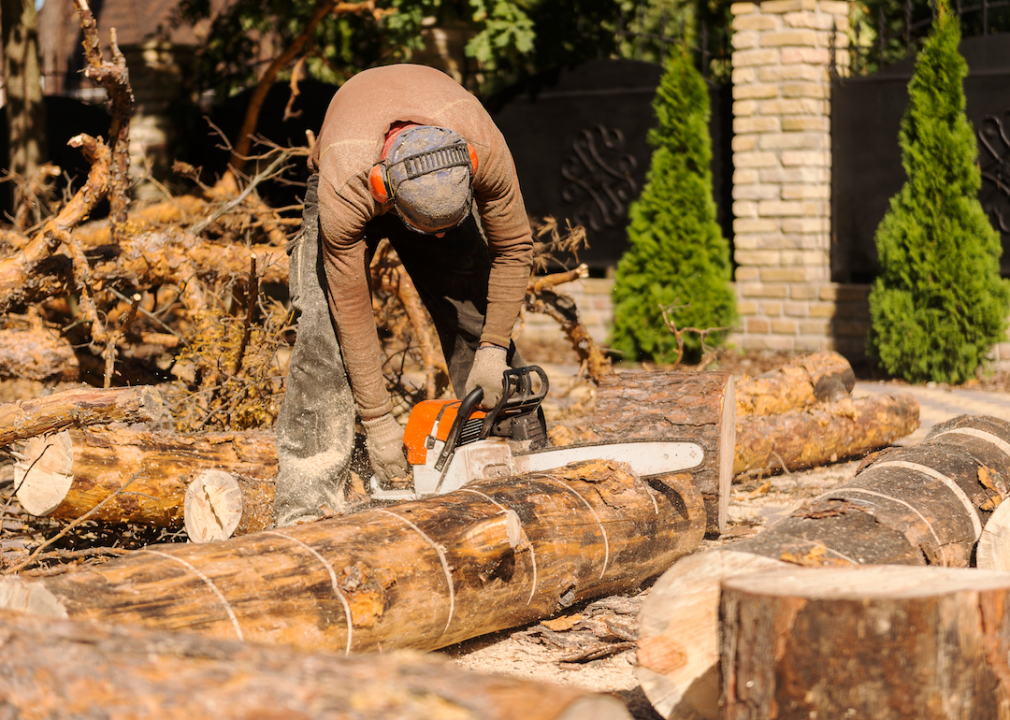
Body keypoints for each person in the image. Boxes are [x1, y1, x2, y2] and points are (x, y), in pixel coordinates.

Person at [274, 64, 534, 526]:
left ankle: (516, 462)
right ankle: (307, 503)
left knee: (473, 307)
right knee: (323, 333)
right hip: (354, 167)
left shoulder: (483, 148)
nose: (435, 242)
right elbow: (349, 306)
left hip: (433, 173)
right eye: (425, 231)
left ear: (469, 168)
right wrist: (377, 422)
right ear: (384, 192)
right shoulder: (349, 185)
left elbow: (514, 248)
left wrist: (493, 349)